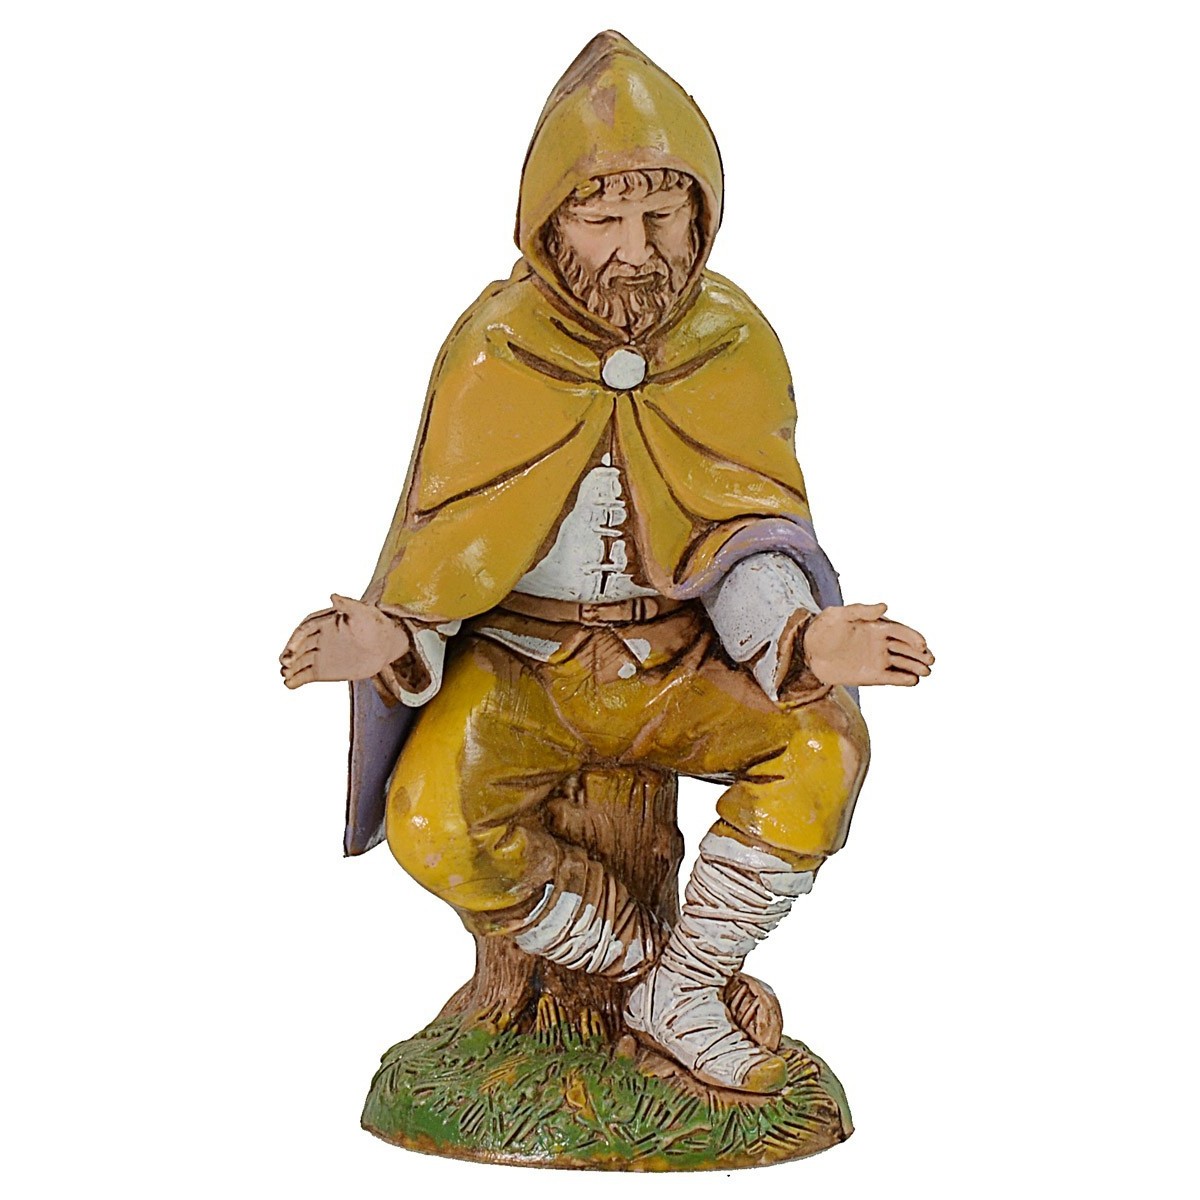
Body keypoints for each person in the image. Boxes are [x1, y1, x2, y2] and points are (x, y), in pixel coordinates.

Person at [280, 31, 932, 1094]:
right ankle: (646, 968)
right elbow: (453, 542)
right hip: (521, 669)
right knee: (434, 819)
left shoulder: (731, 341)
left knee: (824, 748)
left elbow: (742, 527)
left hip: (679, 664)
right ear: (550, 221)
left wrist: (807, 639)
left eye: (662, 216)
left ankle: (690, 983)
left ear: (701, 216)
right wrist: (389, 638)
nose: (637, 249)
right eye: (604, 219)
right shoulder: (496, 347)